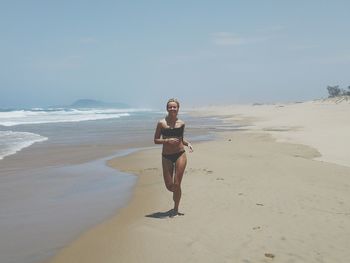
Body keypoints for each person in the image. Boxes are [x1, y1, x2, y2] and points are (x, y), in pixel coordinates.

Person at [154, 98, 193, 216]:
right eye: (170, 107)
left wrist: (188, 144)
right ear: (167, 109)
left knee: (177, 184)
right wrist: (167, 141)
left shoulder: (181, 123)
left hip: (180, 154)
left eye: (174, 107)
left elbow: (180, 139)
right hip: (166, 156)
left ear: (178, 109)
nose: (172, 109)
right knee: (170, 186)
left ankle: (176, 208)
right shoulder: (161, 123)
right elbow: (155, 140)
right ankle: (176, 194)